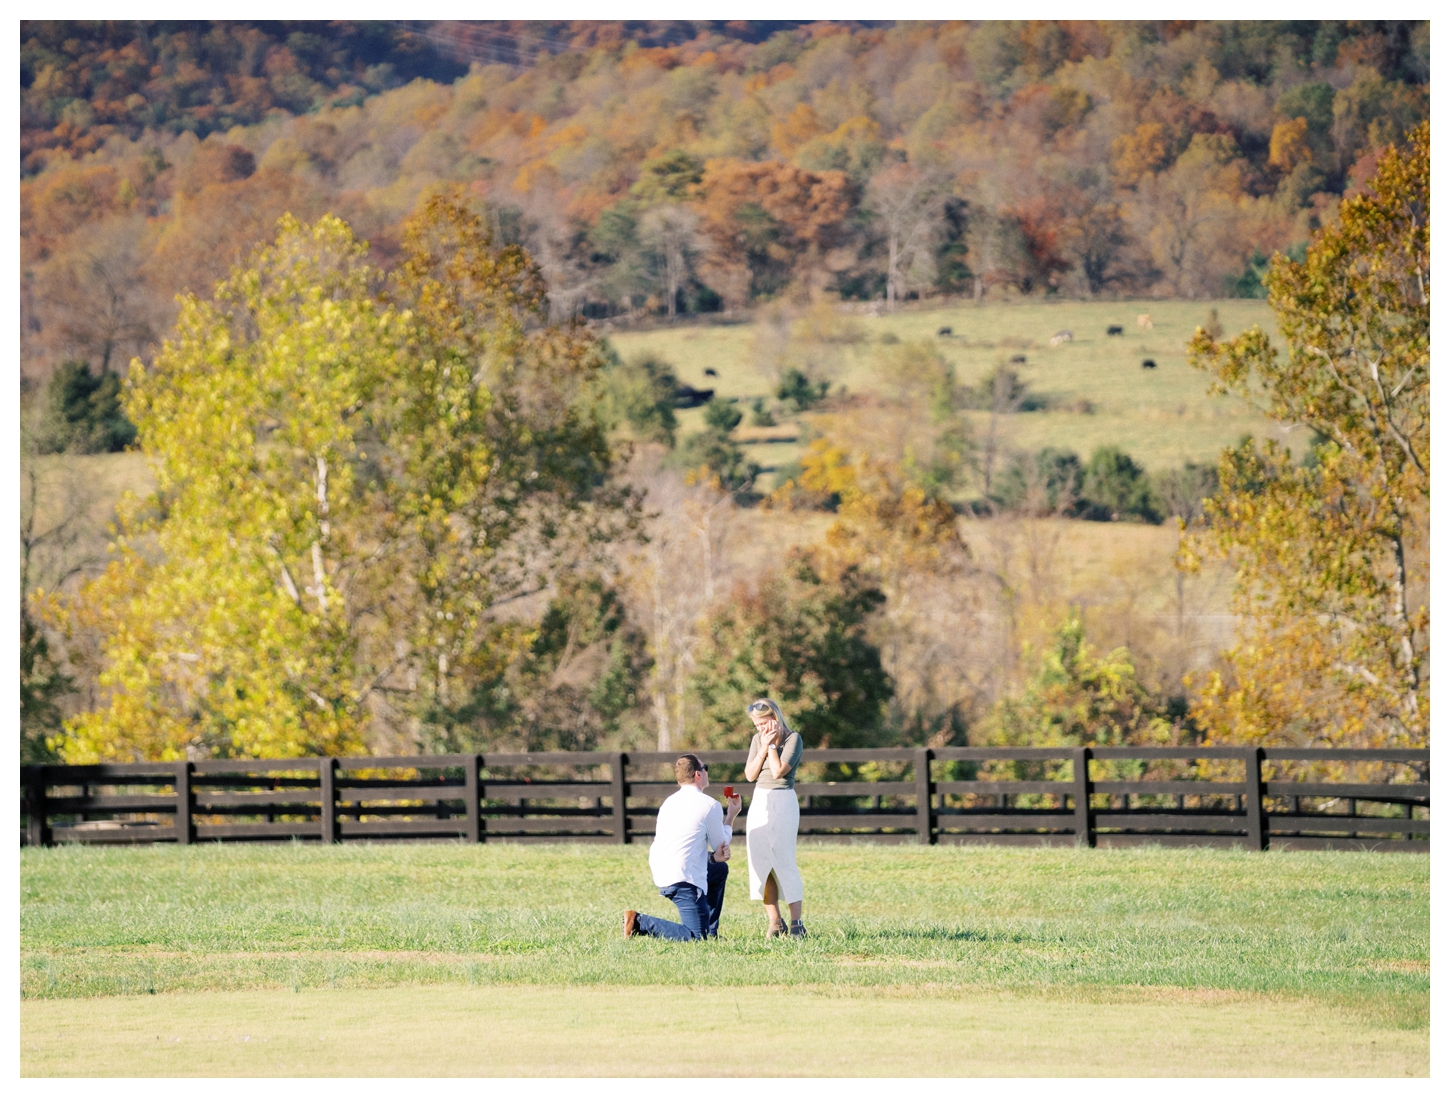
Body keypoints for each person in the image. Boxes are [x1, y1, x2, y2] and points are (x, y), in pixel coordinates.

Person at [624, 753, 742, 941]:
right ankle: (639, 922)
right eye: (706, 769)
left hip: (663, 870)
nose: (707, 773)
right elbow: (721, 849)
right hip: (683, 879)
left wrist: (713, 858)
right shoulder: (710, 805)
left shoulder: (668, 802)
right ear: (698, 774)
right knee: (696, 938)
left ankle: (711, 932)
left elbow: (695, 849)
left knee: (719, 869)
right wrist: (731, 816)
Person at [743, 698, 806, 938]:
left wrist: (771, 747)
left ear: (775, 718)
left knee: (784, 860)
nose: (760, 729)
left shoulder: (793, 739)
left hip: (783, 800)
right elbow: (750, 775)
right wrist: (762, 747)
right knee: (761, 862)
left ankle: (797, 922)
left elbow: (779, 771)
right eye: (756, 725)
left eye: (763, 723)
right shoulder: (758, 739)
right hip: (760, 800)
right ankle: (774, 921)